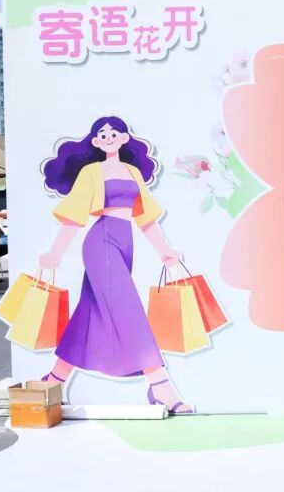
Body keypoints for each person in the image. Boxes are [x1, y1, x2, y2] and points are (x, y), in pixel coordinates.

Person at [38, 116, 193, 414]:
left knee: (88, 314)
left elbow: (146, 218)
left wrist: (165, 251)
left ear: (124, 138)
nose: (108, 138)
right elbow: (74, 216)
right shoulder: (91, 172)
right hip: (101, 243)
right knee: (129, 309)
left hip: (125, 243)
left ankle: (53, 380)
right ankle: (160, 386)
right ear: (96, 141)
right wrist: (55, 252)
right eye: (102, 134)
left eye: (114, 133)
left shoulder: (133, 172)